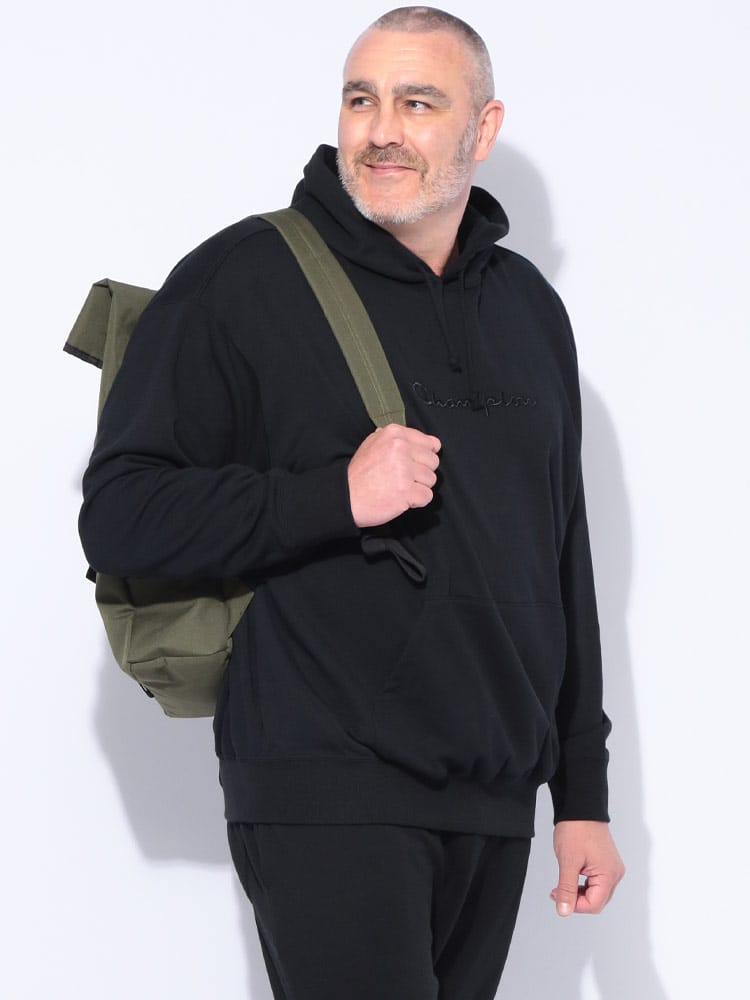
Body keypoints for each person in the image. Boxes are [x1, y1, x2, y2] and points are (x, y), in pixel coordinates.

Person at [79, 5, 625, 998]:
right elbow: (119, 513)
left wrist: (580, 792)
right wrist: (334, 495)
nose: (381, 130)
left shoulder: (528, 309)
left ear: (483, 128)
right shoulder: (245, 279)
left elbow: (563, 554)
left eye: (418, 103)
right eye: (360, 99)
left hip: (494, 795)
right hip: (324, 781)